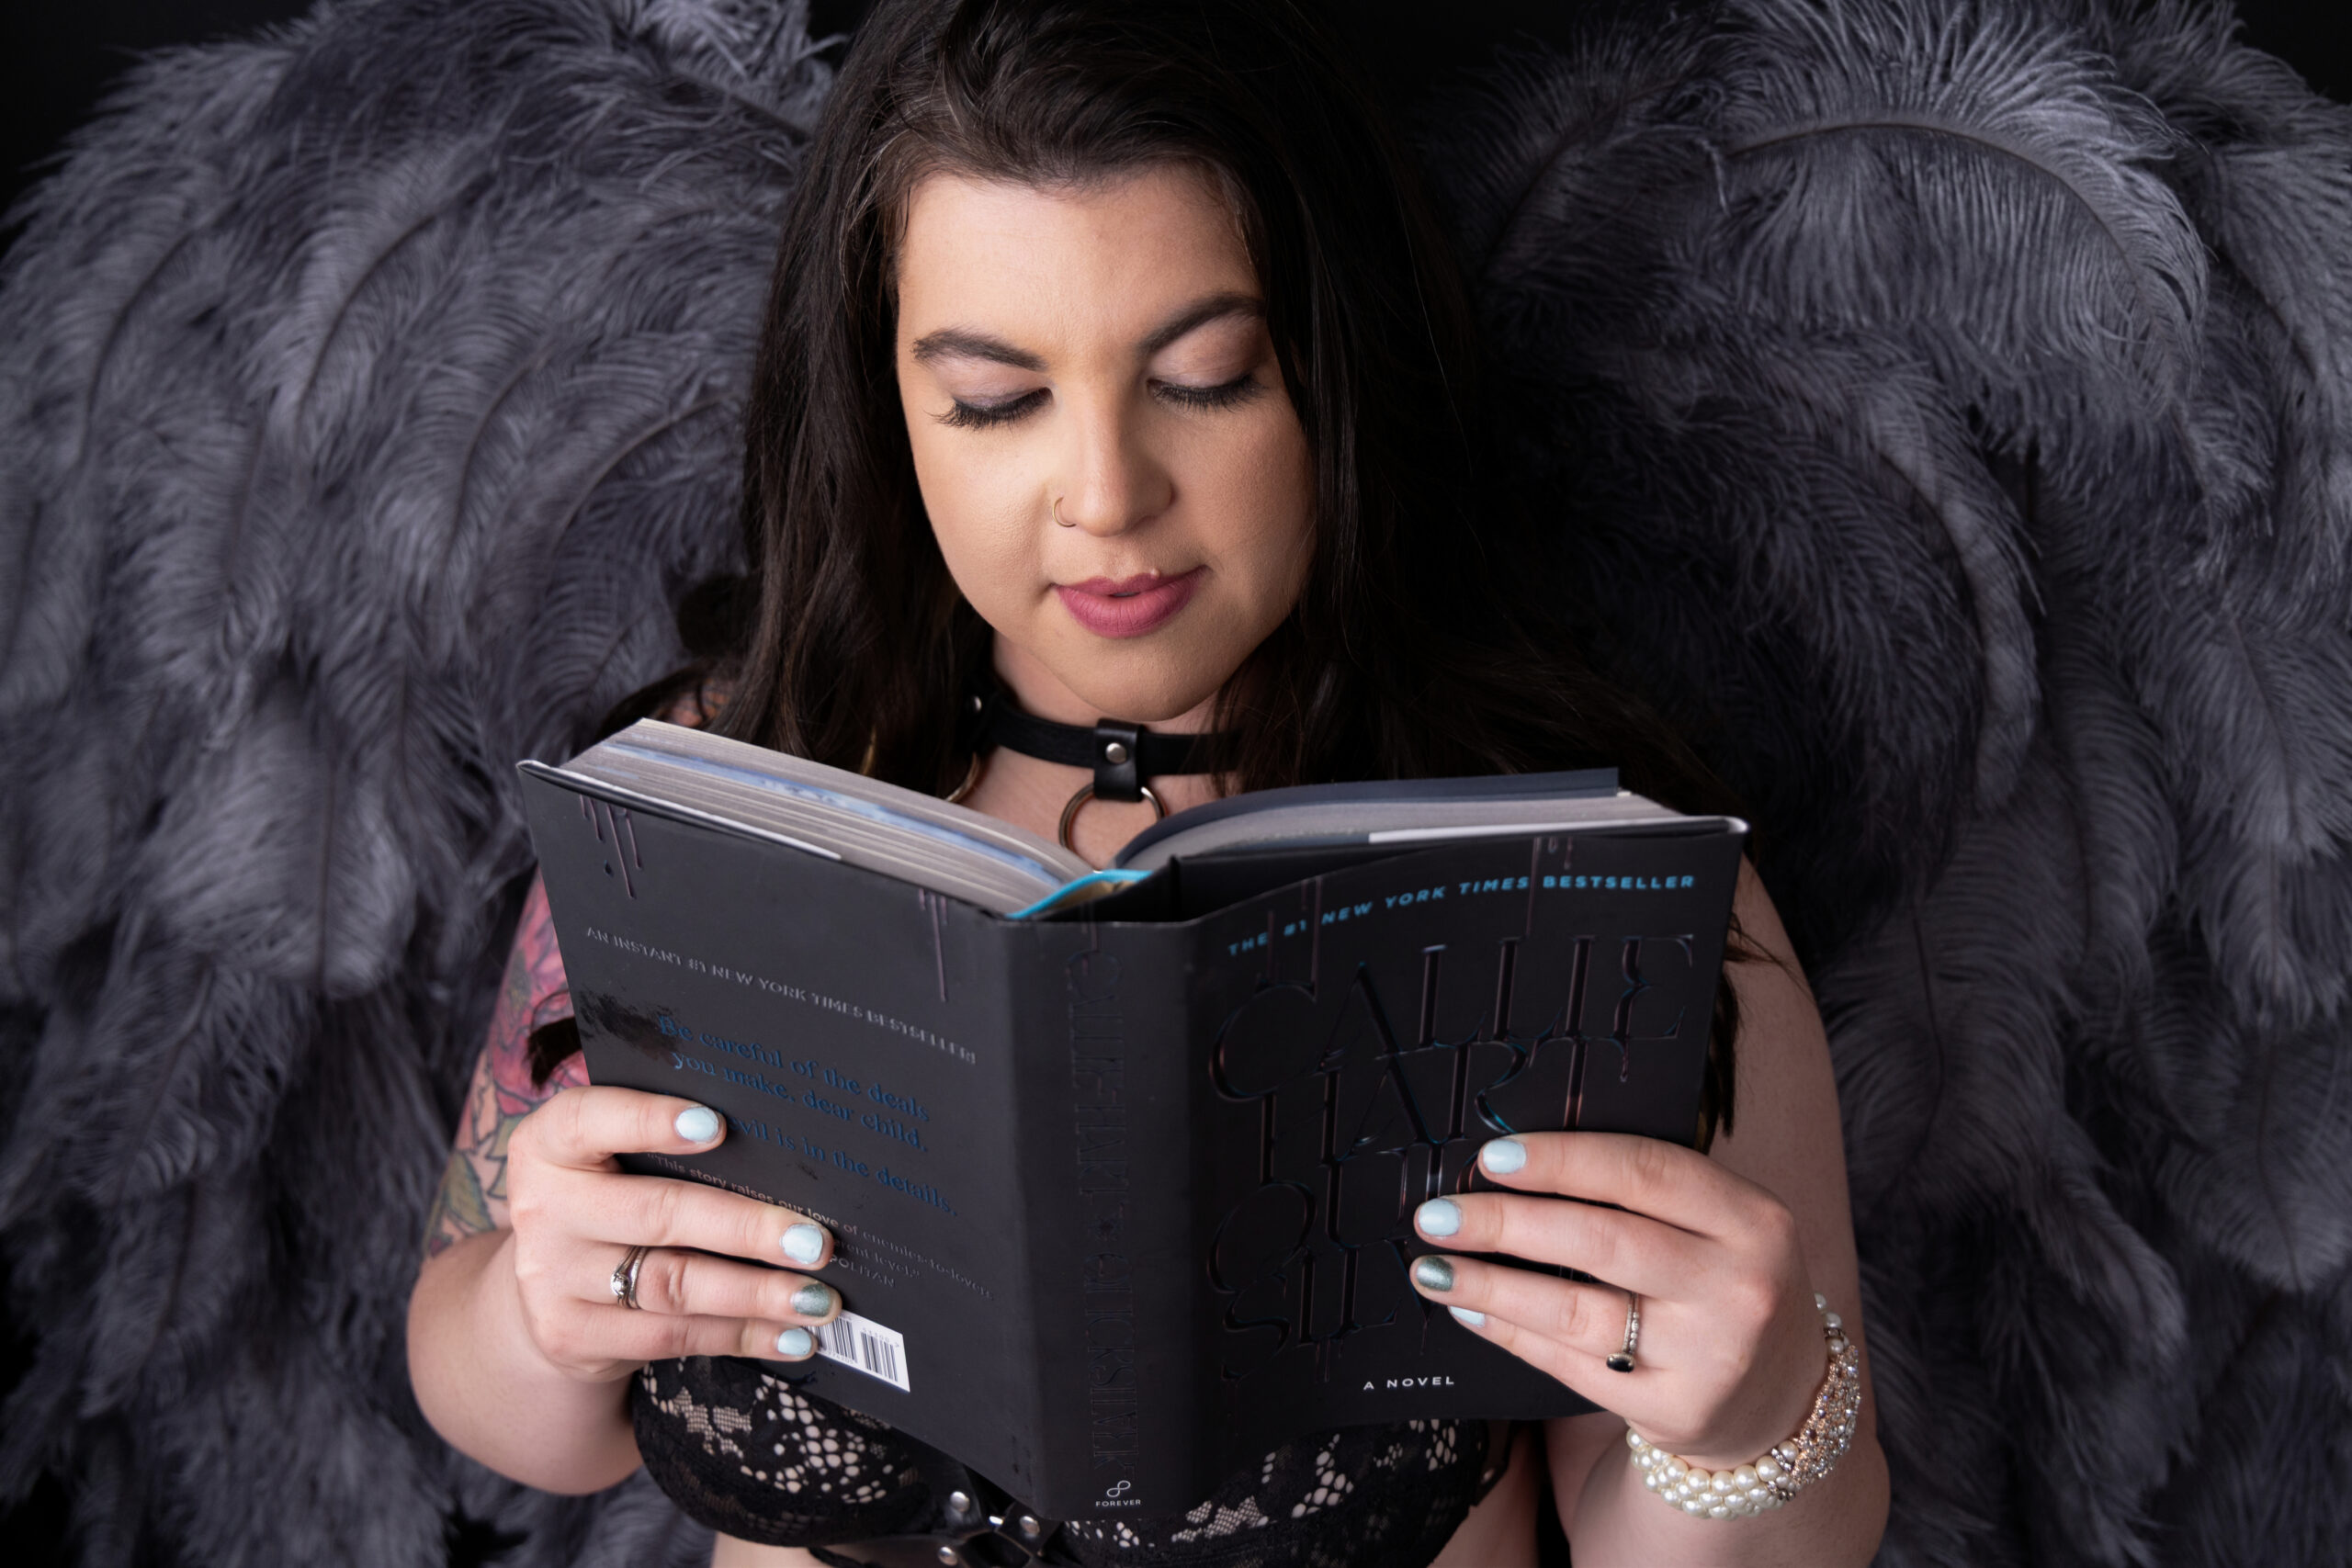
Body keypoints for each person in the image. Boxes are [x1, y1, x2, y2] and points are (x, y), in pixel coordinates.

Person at [405, 1, 1890, 1562]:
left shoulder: (1584, 873)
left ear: (1333, 370)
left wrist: (1755, 1411)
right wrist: (536, 1308)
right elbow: (496, 1404)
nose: (1107, 498)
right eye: (994, 399)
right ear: (885, 409)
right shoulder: (719, 799)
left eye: (1207, 376)